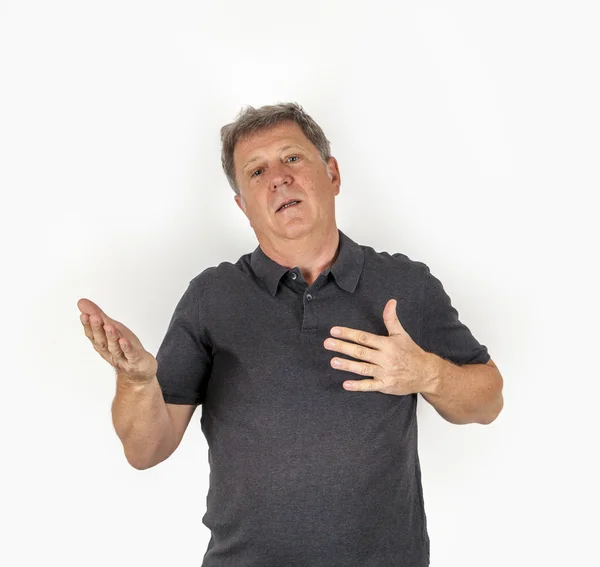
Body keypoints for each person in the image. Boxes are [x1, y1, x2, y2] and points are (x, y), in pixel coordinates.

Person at [78, 102, 503, 567]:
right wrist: (136, 383)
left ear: (333, 175)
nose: (278, 177)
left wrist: (429, 375)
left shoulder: (406, 286)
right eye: (256, 171)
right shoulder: (211, 298)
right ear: (242, 205)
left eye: (292, 158)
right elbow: (145, 450)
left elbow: (488, 402)